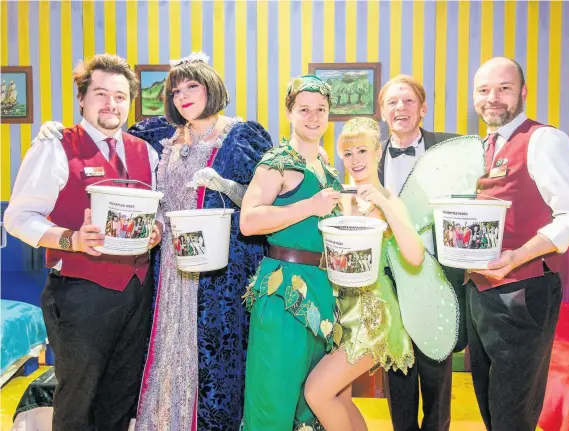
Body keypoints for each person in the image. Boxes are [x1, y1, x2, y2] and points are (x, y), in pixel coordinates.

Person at [33, 52, 273, 431]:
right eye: (175, 90)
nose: (183, 96)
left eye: (192, 85)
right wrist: (54, 130)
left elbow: (264, 202)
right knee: (137, 370)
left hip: (217, 276)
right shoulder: (159, 135)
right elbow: (107, 133)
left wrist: (225, 186)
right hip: (164, 277)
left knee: (211, 365)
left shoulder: (241, 135)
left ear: (212, 85)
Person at [4, 54, 162, 431]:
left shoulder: (146, 152)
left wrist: (154, 230)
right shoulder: (55, 146)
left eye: (120, 96)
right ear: (82, 98)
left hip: (136, 292)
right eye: (101, 94)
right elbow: (17, 218)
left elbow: (153, 211)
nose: (111, 104)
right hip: (79, 294)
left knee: (121, 396)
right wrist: (70, 239)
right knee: (78, 399)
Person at [466, 56, 569, 431]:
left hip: (523, 292)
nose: (493, 98)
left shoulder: (543, 140)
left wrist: (519, 255)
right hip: (480, 294)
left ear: (522, 92)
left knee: (513, 416)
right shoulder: (480, 148)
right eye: (484, 90)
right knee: (491, 409)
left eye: (504, 88)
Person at [304, 117, 424, 431]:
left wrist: (383, 205)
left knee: (317, 392)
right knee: (339, 399)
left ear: (376, 152)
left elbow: (414, 256)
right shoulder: (334, 200)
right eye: (348, 153)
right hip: (338, 314)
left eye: (362, 151)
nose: (355, 159)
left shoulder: (390, 200)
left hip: (373, 315)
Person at [239, 74, 342, 431]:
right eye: (304, 109)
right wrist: (311, 206)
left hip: (323, 294)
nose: (313, 117)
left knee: (308, 404)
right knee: (273, 399)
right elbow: (249, 221)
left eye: (321, 110)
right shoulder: (277, 162)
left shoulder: (327, 169)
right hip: (285, 292)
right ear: (289, 113)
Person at [378, 74, 466, 431]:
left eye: (408, 101)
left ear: (423, 108)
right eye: (392, 102)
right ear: (383, 112)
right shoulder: (368, 158)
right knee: (397, 372)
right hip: (389, 282)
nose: (401, 108)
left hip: (437, 279)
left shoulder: (450, 149)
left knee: (437, 379)